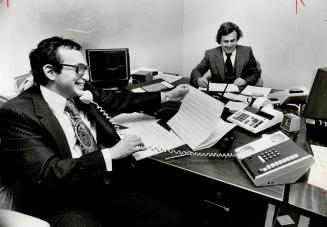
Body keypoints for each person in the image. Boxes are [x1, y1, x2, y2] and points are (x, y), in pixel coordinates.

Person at [0, 37, 192, 227]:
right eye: (79, 69)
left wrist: (167, 95)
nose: (85, 76)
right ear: (50, 71)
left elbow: (120, 101)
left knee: (174, 219)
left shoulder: (80, 90)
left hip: (105, 186)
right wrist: (111, 154)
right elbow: (47, 174)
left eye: (85, 69)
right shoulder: (18, 113)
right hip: (62, 202)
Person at [190, 22, 260, 88]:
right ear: (220, 41)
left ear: (237, 39)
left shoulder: (247, 51)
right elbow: (196, 71)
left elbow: (255, 73)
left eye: (232, 41)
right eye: (226, 41)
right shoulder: (210, 54)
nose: (229, 45)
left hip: (240, 93)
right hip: (218, 95)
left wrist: (244, 81)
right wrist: (198, 79)